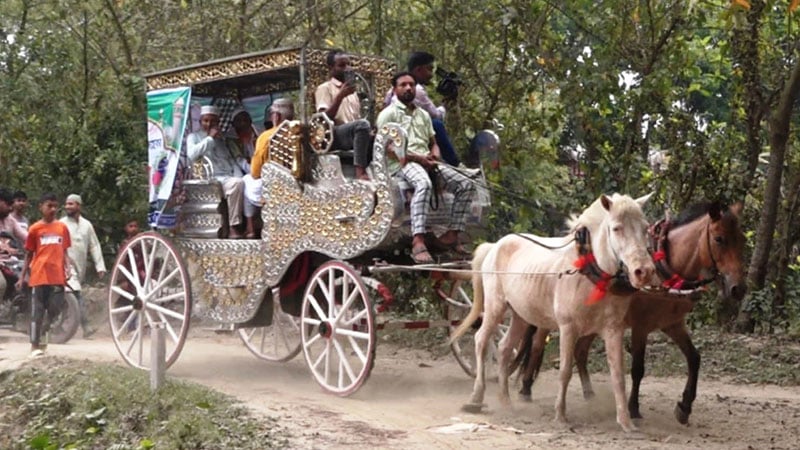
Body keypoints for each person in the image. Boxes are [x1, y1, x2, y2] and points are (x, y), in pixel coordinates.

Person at [376, 72, 476, 264]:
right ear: (395, 89)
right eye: (403, 85)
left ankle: (452, 235)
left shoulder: (423, 115)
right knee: (423, 184)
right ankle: (418, 240)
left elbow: (433, 142)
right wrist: (419, 158)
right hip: (402, 163)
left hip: (427, 161)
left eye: (411, 84)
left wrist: (435, 154)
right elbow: (387, 148)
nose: (408, 88)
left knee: (466, 183)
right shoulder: (388, 114)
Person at [384, 51, 461, 167]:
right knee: (436, 124)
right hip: (406, 134)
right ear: (419, 70)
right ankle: (455, 164)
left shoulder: (392, 89)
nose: (431, 74)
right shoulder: (417, 90)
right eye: (429, 69)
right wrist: (446, 105)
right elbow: (435, 115)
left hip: (397, 132)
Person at [17, 193, 71, 357]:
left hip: (57, 275)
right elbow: (29, 254)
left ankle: (44, 332)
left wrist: (68, 267)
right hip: (39, 275)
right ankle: (34, 346)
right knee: (37, 311)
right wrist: (22, 277)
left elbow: (65, 251)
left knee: (55, 308)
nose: (53, 209)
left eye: (55, 206)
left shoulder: (62, 228)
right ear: (41, 206)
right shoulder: (34, 229)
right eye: (49, 206)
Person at [187, 105, 246, 238]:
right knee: (237, 184)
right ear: (200, 121)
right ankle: (233, 227)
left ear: (218, 123)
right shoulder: (194, 137)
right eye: (206, 121)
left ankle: (243, 227)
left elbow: (231, 161)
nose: (209, 124)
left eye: (213, 121)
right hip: (209, 179)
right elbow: (192, 155)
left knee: (242, 183)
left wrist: (240, 177)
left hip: (227, 178)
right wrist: (210, 139)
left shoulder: (222, 139)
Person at [315, 49, 373, 180]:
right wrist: (340, 96)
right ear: (331, 68)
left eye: (348, 64)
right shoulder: (325, 88)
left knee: (375, 133)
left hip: (351, 133)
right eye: (341, 65)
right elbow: (323, 121)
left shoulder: (353, 93)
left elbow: (356, 120)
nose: (347, 68)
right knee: (362, 125)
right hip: (333, 135)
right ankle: (360, 172)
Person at [242, 98, 294, 238]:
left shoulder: (266, 136)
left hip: (273, 187)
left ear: (276, 116)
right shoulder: (299, 132)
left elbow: (255, 172)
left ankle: (250, 227)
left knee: (246, 180)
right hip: (295, 183)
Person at [60, 194, 106, 338]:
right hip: (66, 266)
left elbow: (94, 245)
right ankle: (86, 327)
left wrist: (100, 266)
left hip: (80, 267)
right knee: (77, 295)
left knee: (70, 297)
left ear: (79, 206)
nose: (67, 207)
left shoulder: (86, 225)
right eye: (66, 204)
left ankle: (64, 327)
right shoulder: (61, 224)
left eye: (71, 204)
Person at [0, 188, 28, 298]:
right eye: (8, 204)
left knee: (27, 279)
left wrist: (39, 240)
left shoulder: (10, 220)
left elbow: (25, 236)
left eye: (11, 204)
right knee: (1, 284)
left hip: (10, 262)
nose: (11, 208)